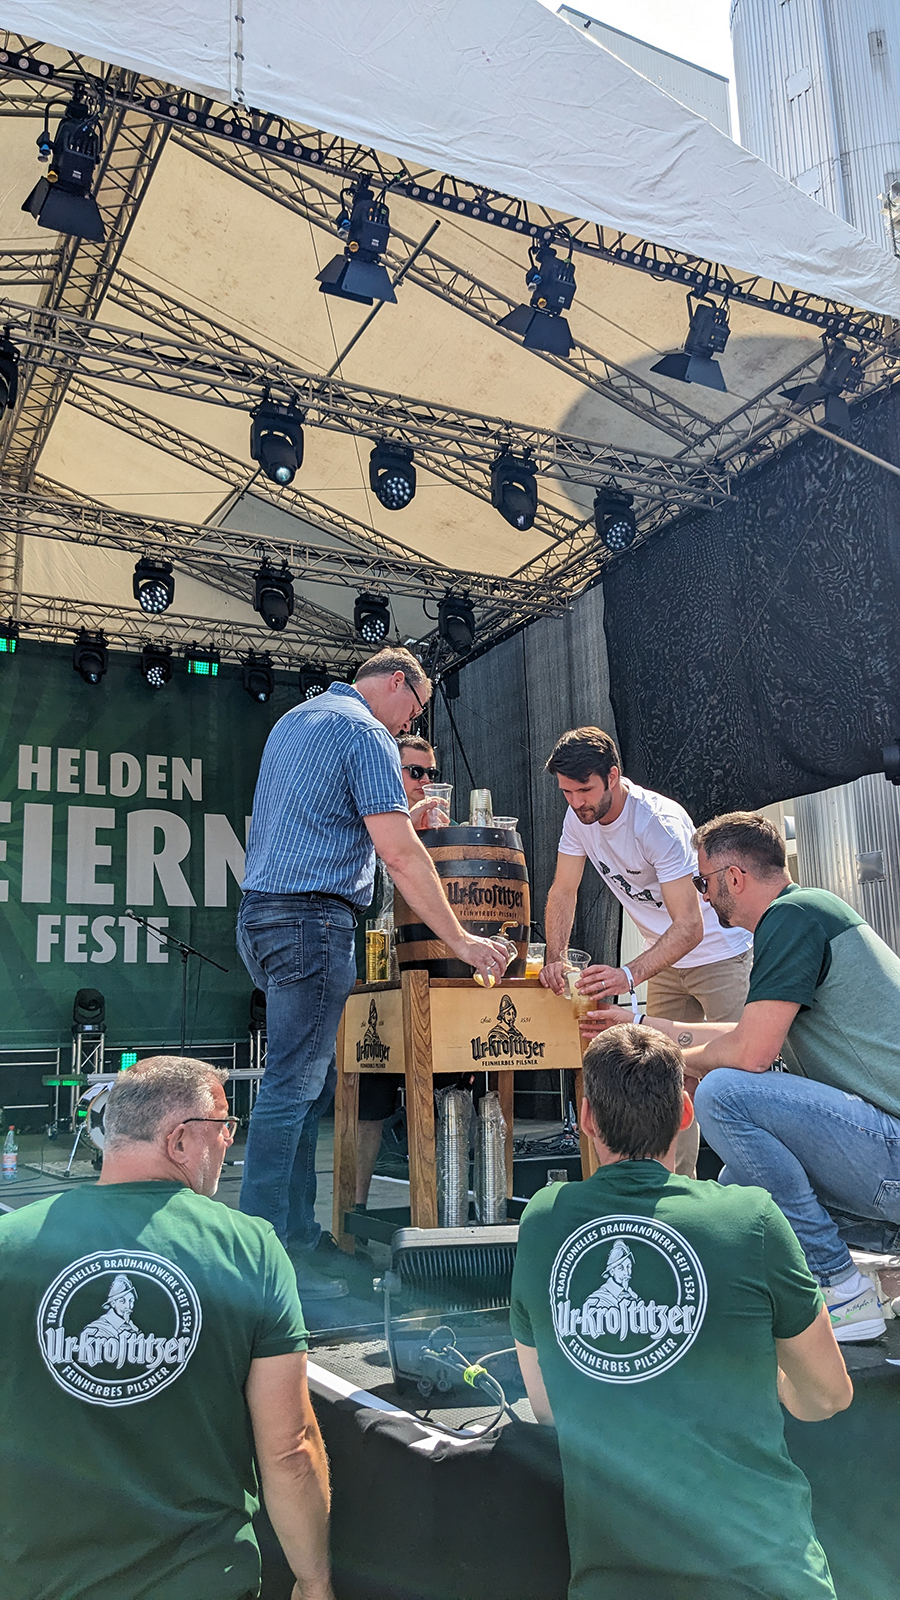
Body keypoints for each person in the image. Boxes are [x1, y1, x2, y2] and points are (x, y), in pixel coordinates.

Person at [511, 1024, 851, 1600]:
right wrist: (757, 1372)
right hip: (769, 1578)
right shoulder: (750, 1218)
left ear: (587, 1119)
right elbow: (828, 1395)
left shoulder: (544, 1220)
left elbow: (547, 1407)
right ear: (686, 1112)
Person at [0, 1055, 335, 1600]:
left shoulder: (10, 1245)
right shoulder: (249, 1249)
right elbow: (289, 1450)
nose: (229, 1142)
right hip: (201, 1581)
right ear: (179, 1140)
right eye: (223, 1125)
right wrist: (314, 1582)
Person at [238, 647, 508, 1298]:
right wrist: (466, 942)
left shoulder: (299, 719)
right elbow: (401, 856)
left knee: (298, 1090)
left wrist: (403, 820)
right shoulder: (365, 731)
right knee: (288, 1091)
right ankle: (256, 1260)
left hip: (262, 918)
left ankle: (294, 1239)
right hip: (312, 922)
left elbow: (326, 822)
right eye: (410, 711)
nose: (404, 726)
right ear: (396, 683)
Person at [589, 810, 900, 1344]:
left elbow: (752, 1054)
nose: (702, 896)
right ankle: (760, 1300)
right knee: (734, 1200)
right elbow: (747, 1030)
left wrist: (668, 1057)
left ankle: (841, 1286)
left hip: (889, 1151)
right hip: (877, 1148)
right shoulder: (807, 912)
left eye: (702, 882)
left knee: (725, 1095)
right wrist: (643, 1026)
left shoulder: (792, 917)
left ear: (734, 877)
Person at [540, 727, 753, 1173]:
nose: (576, 801)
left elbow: (691, 926)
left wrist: (629, 974)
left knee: (740, 1072)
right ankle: (676, 1194)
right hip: (667, 962)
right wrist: (555, 956)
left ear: (613, 776)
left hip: (719, 954)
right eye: (566, 792)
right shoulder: (576, 820)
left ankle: (763, 1201)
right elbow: (563, 892)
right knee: (667, 1080)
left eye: (585, 789)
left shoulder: (655, 822)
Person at [355, 731, 449, 1210]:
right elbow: (370, 886)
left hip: (437, 979)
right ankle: (353, 1213)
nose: (425, 782)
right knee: (369, 1100)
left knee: (448, 1096)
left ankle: (442, 1207)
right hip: (382, 976)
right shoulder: (371, 820)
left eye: (431, 773)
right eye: (415, 772)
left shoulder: (440, 832)